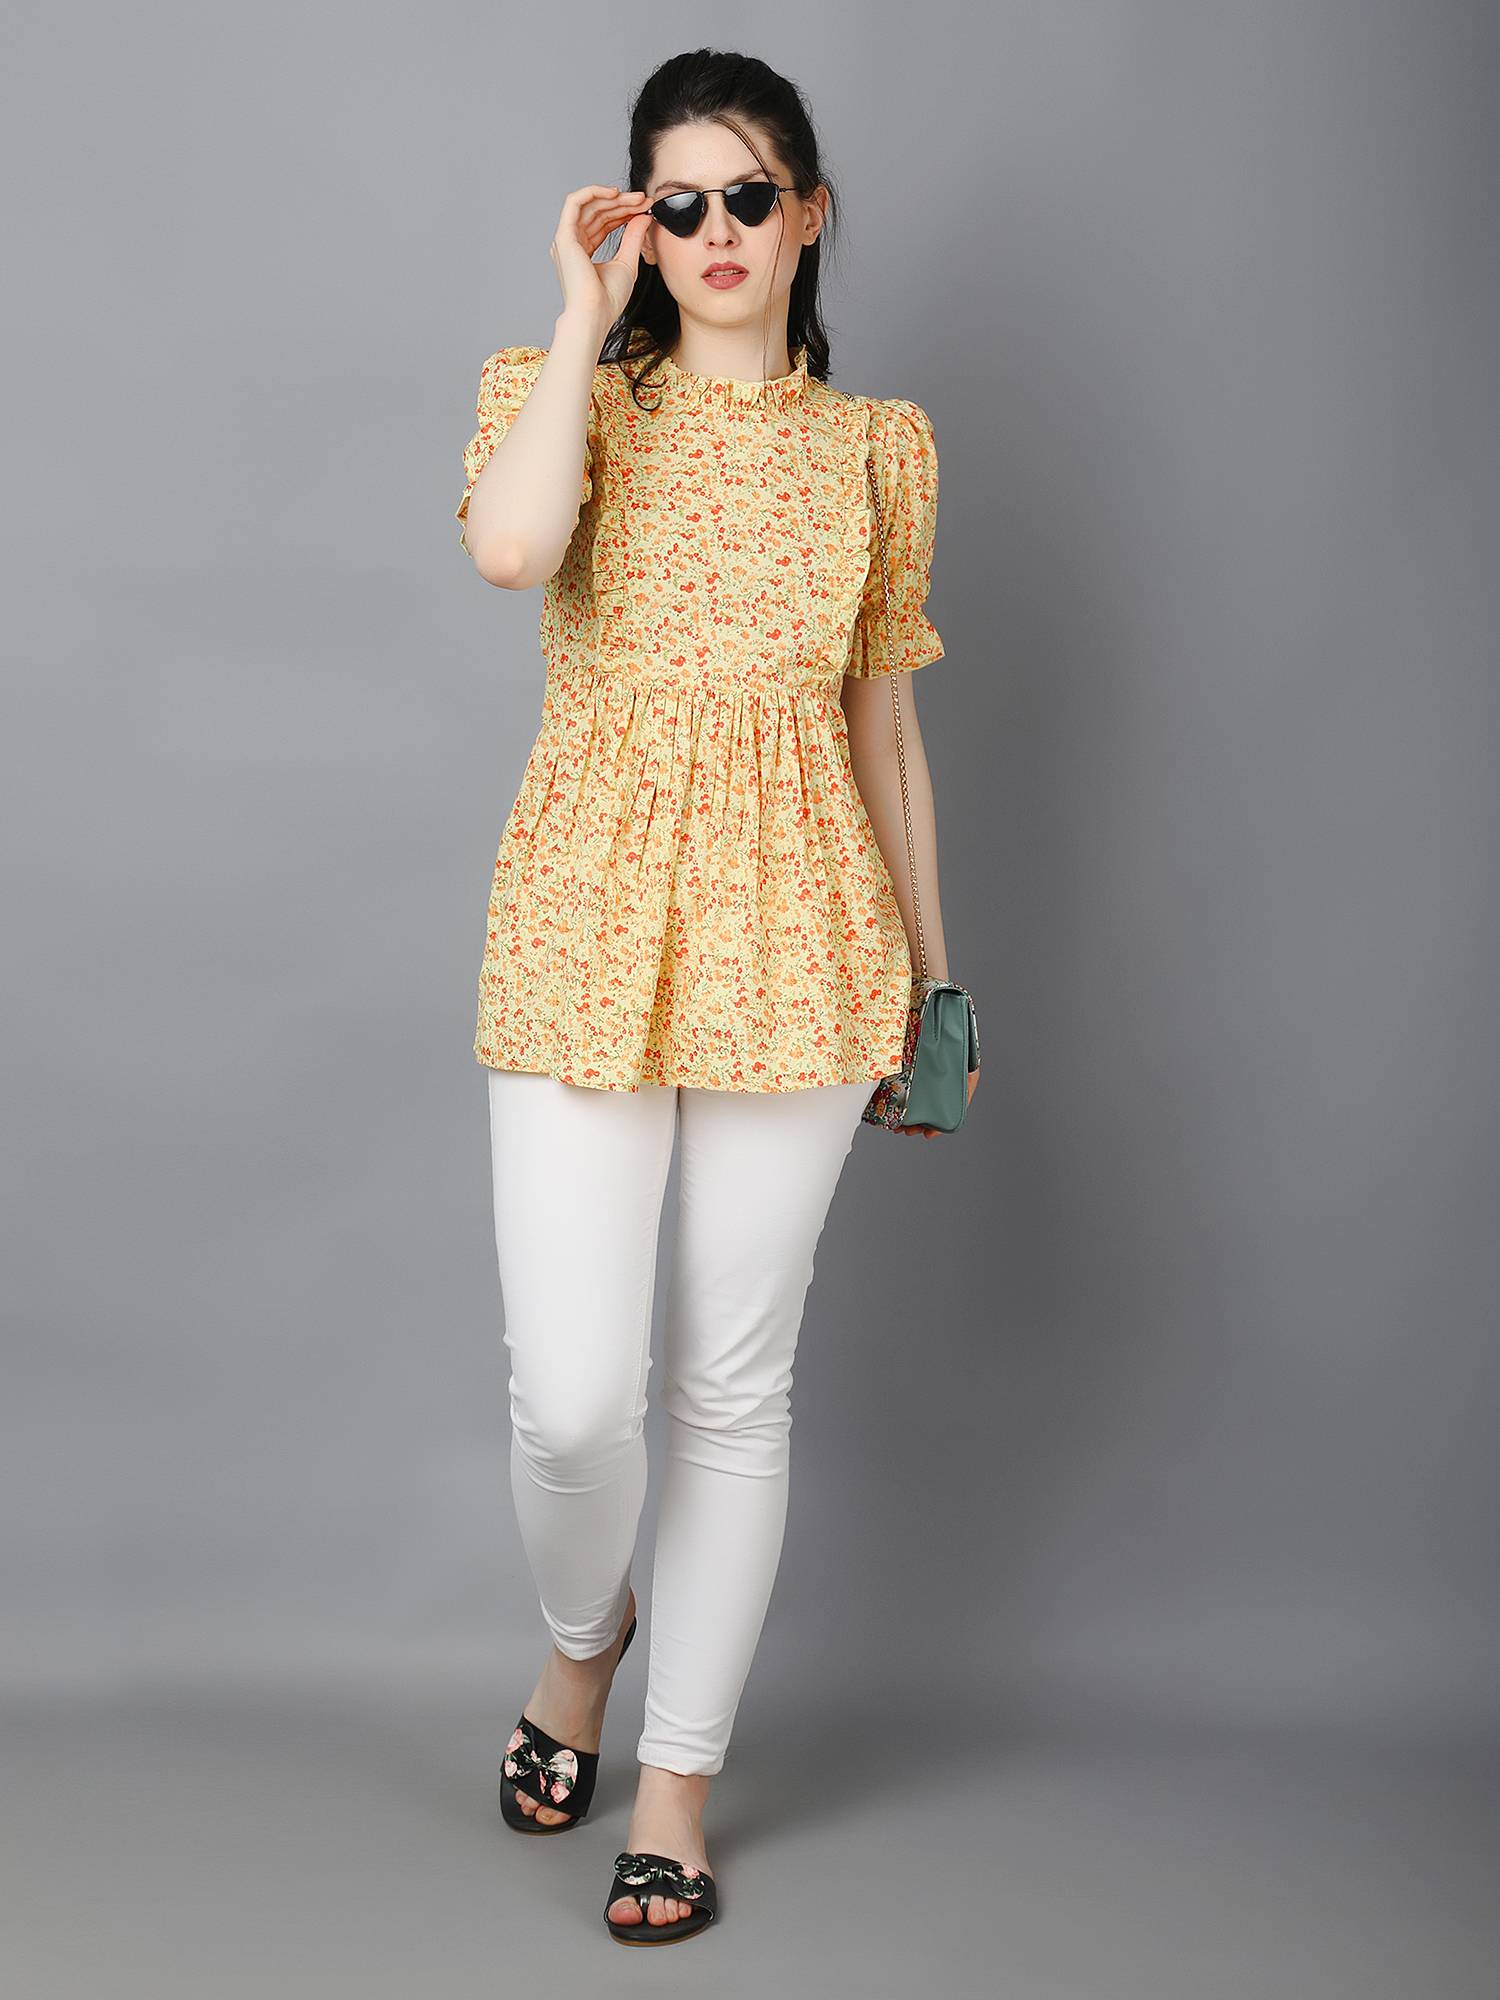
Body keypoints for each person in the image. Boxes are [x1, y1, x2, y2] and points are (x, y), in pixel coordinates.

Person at [454, 49, 978, 1947]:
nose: (718, 232)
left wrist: (935, 981)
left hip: (806, 934)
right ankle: (581, 1640)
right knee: (572, 1400)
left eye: (750, 195)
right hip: (587, 919)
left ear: (810, 214)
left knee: (735, 1388)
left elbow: (886, 723)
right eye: (676, 205)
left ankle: (675, 1780)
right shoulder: (565, 399)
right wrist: (577, 316)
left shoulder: (877, 450)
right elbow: (510, 549)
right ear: (638, 228)